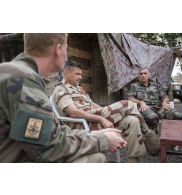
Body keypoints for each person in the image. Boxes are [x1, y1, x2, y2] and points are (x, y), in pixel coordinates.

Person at [0, 33, 128, 163]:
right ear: (58, 49)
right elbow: (47, 148)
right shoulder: (23, 80)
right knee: (96, 159)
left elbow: (50, 130)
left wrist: (91, 134)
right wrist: (103, 140)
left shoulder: (18, 74)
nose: (66, 54)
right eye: (67, 48)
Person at [53, 60, 160, 163]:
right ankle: (148, 133)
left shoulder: (78, 88)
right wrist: (101, 118)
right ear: (66, 73)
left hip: (94, 117)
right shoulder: (60, 89)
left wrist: (105, 111)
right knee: (129, 104)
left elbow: (91, 104)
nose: (80, 77)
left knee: (133, 120)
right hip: (83, 124)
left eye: (81, 74)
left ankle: (133, 161)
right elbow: (73, 112)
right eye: (77, 74)